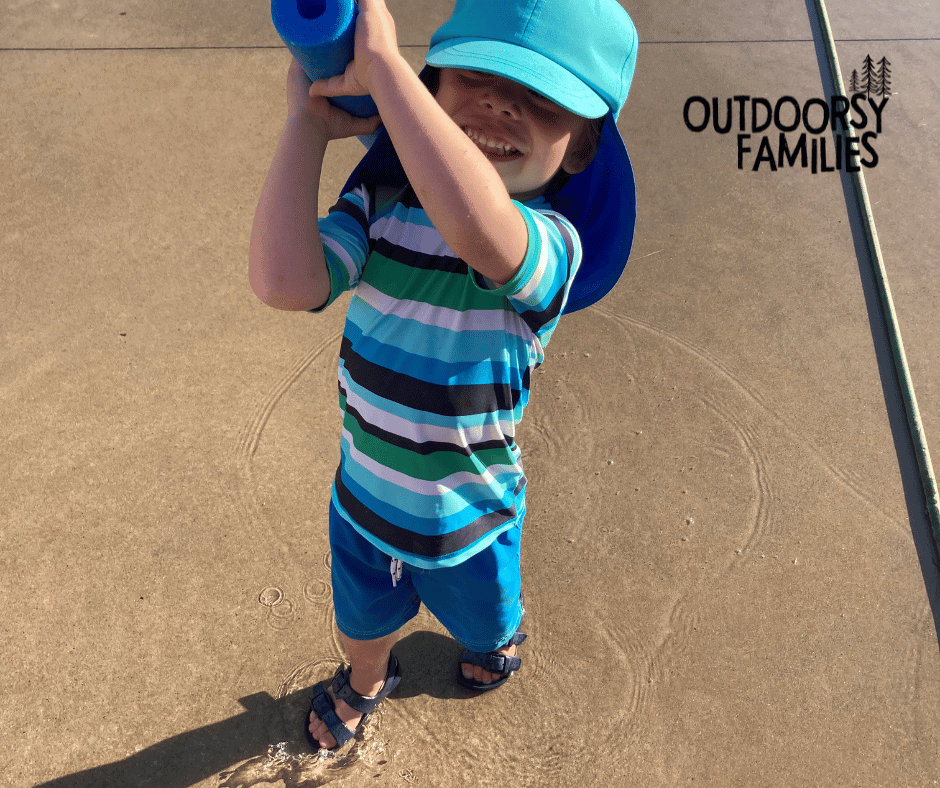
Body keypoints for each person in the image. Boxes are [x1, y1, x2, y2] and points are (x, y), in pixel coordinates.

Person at [249, 0, 638, 751]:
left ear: (582, 148)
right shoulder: (381, 204)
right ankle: (367, 679)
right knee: (360, 627)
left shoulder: (550, 245)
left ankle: (495, 637)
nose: (498, 102)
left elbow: (475, 222)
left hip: (473, 515)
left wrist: (391, 77)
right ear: (434, 91)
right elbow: (285, 282)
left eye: (540, 97)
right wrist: (305, 126)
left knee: (485, 619)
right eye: (472, 77)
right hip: (364, 500)